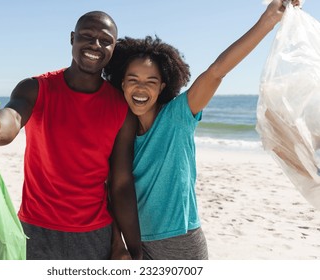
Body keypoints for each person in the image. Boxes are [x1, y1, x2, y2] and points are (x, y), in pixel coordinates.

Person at [104, 0, 301, 259]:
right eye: (133, 80)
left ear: (163, 86)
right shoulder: (121, 131)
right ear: (121, 83)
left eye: (150, 81)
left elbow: (217, 71)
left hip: (182, 241)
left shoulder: (178, 116)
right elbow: (113, 190)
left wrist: (267, 20)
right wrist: (118, 245)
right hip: (137, 242)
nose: (141, 89)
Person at [0, 11, 142, 260]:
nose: (95, 44)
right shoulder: (36, 88)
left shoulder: (121, 107)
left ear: (113, 47)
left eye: (105, 40)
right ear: (72, 38)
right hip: (35, 229)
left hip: (94, 234)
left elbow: (121, 184)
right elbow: (13, 117)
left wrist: (135, 251)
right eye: (87, 36)